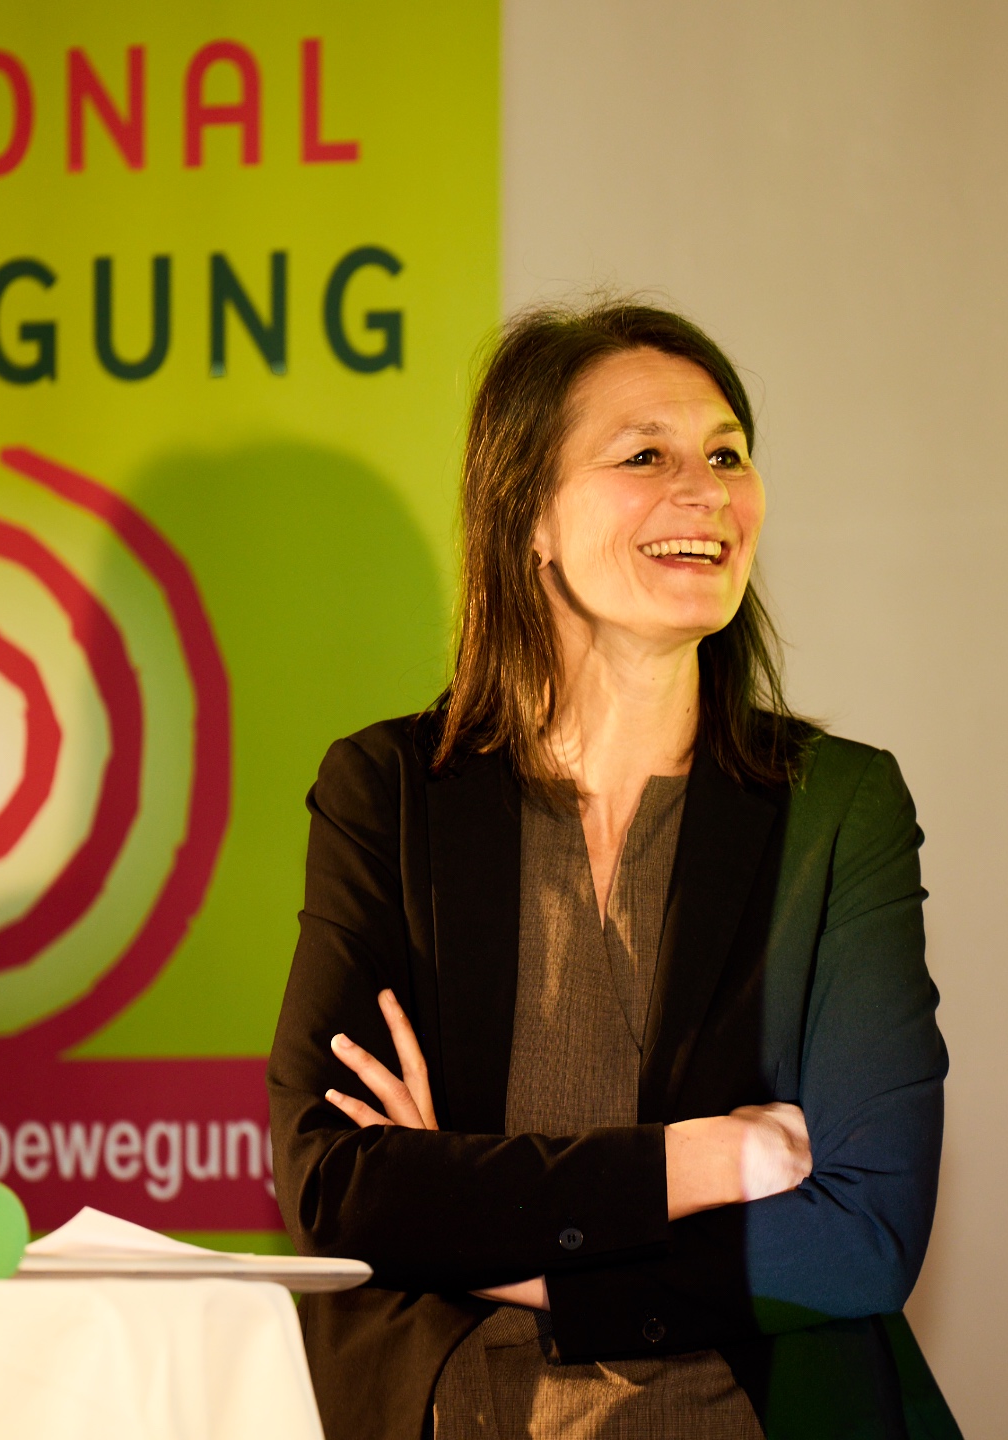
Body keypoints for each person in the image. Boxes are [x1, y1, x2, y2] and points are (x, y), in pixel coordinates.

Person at [267, 301, 961, 1439]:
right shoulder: (387, 791)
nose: (706, 493)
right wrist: (705, 1158)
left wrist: (478, 1228)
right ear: (527, 515)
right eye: (645, 456)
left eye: (726, 455)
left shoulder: (836, 805)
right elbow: (337, 1191)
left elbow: (861, 1237)